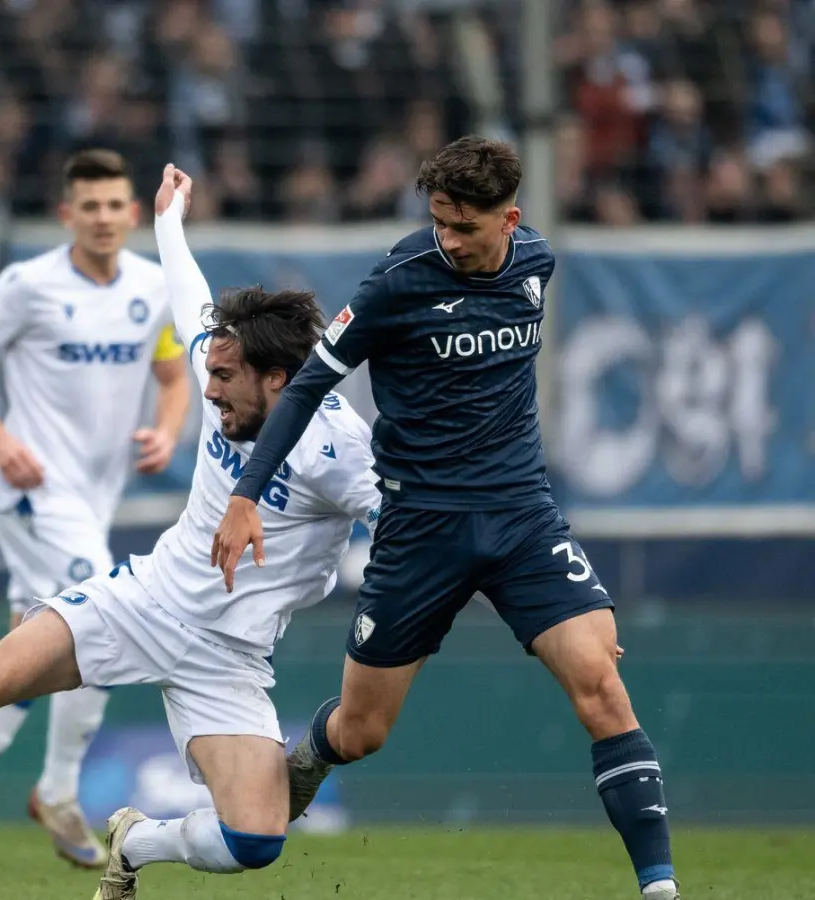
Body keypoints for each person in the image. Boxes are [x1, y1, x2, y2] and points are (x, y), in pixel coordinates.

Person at [0, 165, 381, 900]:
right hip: (140, 602)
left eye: (225, 378)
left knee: (256, 843)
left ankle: (136, 840)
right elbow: (186, 293)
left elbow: (400, 523)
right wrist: (169, 221)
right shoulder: (225, 361)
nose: (208, 390)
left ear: (277, 379)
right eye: (208, 371)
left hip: (229, 659)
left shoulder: (340, 451)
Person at [210, 136, 680, 900]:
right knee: (362, 732)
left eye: (465, 227)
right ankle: (313, 758)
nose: (449, 241)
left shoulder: (536, 263)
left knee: (600, 681)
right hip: (421, 528)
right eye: (439, 223)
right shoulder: (399, 280)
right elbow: (301, 390)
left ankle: (660, 888)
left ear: (510, 220)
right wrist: (243, 498)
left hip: (523, 517)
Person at [0, 148, 191, 871]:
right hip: (33, 493)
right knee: (105, 622)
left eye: (115, 207)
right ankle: (60, 790)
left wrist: (167, 430)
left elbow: (173, 375)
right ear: (67, 214)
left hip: (89, 502)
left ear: (134, 214)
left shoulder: (154, 287)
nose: (103, 219)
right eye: (89, 207)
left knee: (25, 660)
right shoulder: (28, 285)